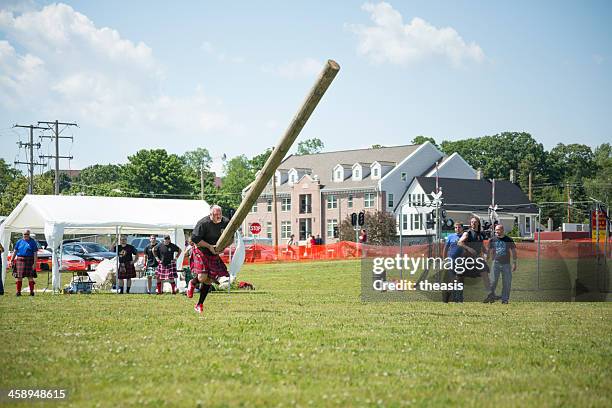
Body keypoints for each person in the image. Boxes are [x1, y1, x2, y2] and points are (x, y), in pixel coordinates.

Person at [187, 205, 230, 314]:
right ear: (210, 214)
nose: (219, 216)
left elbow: (231, 236)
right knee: (202, 277)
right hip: (201, 250)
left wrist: (222, 247)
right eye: (216, 215)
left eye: (220, 214)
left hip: (213, 253)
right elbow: (195, 239)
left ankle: (199, 304)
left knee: (209, 279)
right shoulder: (203, 223)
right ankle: (192, 283)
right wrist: (210, 246)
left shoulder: (225, 222)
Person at [458, 217, 494, 303]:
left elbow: (481, 246)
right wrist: (469, 248)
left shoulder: (481, 234)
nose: (473, 223)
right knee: (460, 277)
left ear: (478, 223)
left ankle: (490, 295)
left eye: (475, 222)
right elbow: (459, 242)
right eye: (472, 222)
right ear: (470, 224)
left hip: (477, 259)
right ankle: (458, 296)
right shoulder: (467, 233)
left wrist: (486, 253)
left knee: (485, 274)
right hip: (466, 259)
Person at [487, 224, 517, 304]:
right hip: (495, 263)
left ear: (502, 230)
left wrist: (514, 262)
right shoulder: (492, 240)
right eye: (496, 230)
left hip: (506, 264)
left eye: (498, 230)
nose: (496, 231)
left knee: (507, 282)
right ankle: (491, 297)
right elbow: (488, 251)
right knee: (493, 282)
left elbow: (513, 251)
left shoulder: (508, 239)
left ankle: (505, 299)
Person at [10, 229, 38, 296]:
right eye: (25, 234)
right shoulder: (19, 241)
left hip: (30, 260)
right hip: (20, 260)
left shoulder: (33, 242)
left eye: (27, 234)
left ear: (29, 234)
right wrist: (12, 259)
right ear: (23, 234)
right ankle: (18, 292)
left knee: (30, 276)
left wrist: (34, 263)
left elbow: (35, 253)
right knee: (19, 277)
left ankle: (31, 292)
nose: (26, 235)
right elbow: (15, 251)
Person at [443, 222, 465, 303]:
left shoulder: (465, 236)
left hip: (462, 261)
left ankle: (459, 298)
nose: (457, 229)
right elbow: (445, 248)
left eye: (459, 227)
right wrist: (444, 259)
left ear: (462, 228)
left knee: (460, 279)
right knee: (452, 280)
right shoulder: (450, 236)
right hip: (451, 260)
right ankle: (451, 297)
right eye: (456, 227)